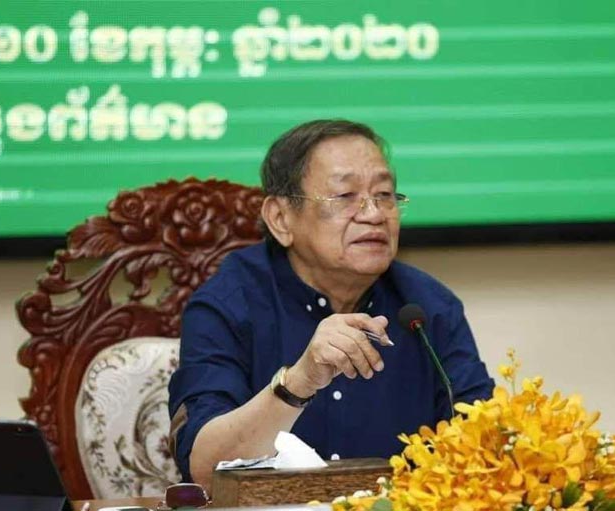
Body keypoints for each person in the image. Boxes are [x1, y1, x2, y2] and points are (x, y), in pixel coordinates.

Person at [167, 119, 495, 489]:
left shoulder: (428, 307)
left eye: (384, 195)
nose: (374, 214)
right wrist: (298, 382)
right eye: (345, 196)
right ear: (281, 218)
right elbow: (204, 470)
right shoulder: (227, 304)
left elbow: (484, 447)